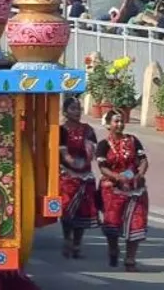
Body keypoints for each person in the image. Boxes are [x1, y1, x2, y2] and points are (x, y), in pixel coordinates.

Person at [94, 109, 148, 271]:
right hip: (113, 188)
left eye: (121, 121)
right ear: (108, 125)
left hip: (135, 188)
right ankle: (113, 248)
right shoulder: (104, 144)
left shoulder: (133, 140)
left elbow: (143, 160)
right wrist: (117, 177)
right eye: (116, 121)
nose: (120, 124)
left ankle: (130, 259)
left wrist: (139, 174)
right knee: (112, 224)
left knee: (137, 222)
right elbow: (102, 167)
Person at [58, 97, 99, 258]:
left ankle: (77, 243)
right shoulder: (61, 130)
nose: (77, 112)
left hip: (85, 176)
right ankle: (67, 238)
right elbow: (63, 152)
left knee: (83, 211)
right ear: (65, 111)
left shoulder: (88, 130)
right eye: (73, 108)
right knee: (66, 208)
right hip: (67, 175)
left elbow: (91, 148)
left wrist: (86, 158)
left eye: (79, 108)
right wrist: (71, 163)